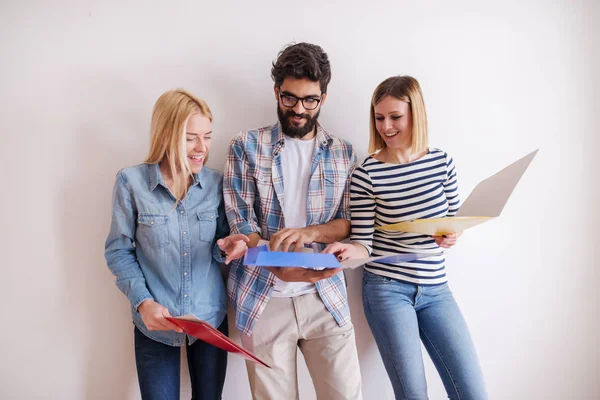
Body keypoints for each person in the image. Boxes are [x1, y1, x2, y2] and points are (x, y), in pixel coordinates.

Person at [325, 76, 487, 400]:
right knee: (413, 394)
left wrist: (450, 237)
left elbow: (452, 223)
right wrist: (346, 251)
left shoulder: (442, 163)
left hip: (436, 289)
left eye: (395, 117)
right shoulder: (366, 173)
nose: (386, 126)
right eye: (379, 117)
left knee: (473, 393)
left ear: (416, 114)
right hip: (388, 291)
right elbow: (364, 243)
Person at [223, 42, 362, 399]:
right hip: (264, 298)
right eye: (289, 98)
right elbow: (242, 224)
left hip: (326, 297)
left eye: (309, 100)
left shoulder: (343, 152)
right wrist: (276, 262)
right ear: (276, 92)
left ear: (323, 98)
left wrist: (310, 232)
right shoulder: (245, 146)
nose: (299, 109)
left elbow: (347, 221)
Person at [104, 89, 249, 400]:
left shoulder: (214, 182)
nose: (202, 148)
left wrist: (229, 245)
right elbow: (118, 251)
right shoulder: (131, 183)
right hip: (154, 325)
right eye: (190, 138)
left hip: (209, 319)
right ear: (167, 135)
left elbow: (218, 245)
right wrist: (143, 302)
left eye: (207, 136)